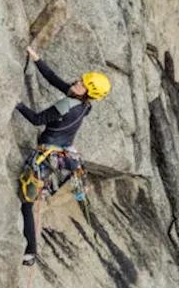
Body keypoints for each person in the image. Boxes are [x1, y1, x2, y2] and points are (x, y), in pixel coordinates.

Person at [14, 47, 111, 265]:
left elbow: (37, 120)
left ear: (87, 93)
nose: (76, 84)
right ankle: (31, 248)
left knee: (27, 203)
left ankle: (31, 251)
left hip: (48, 158)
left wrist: (18, 104)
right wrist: (37, 59)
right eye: (79, 81)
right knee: (33, 198)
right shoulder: (85, 105)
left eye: (81, 85)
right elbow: (56, 81)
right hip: (65, 158)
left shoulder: (67, 105)